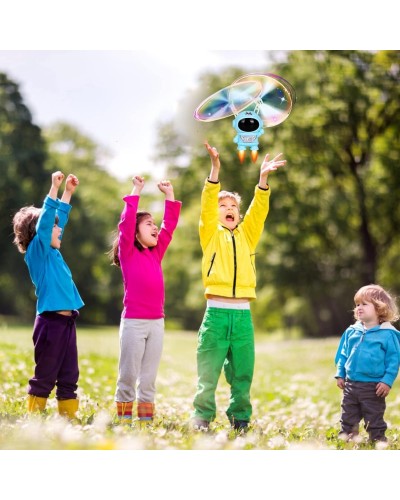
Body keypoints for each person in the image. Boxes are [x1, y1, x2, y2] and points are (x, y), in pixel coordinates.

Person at [192, 141, 286, 432]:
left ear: (239, 214)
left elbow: (258, 211)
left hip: (243, 316)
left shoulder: (247, 235)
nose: (228, 208)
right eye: (224, 206)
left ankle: (240, 419)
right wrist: (215, 169)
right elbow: (208, 205)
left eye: (233, 206)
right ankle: (202, 418)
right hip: (216, 315)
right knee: (208, 373)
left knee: (243, 373)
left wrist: (262, 180)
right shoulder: (210, 233)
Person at [12, 171, 84, 419]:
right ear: (38, 232)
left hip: (66, 322)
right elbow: (46, 225)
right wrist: (54, 188)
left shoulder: (52, 252)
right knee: (46, 373)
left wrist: (68, 193)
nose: (59, 229)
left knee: (69, 374)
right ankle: (34, 416)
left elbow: (57, 221)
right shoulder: (38, 253)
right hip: (50, 324)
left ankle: (68, 417)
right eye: (54, 226)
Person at [110, 175, 181, 425]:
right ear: (135, 233)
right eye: (149, 223)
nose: (155, 227)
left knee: (149, 378)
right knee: (128, 376)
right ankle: (123, 422)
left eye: (154, 223)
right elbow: (125, 223)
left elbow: (169, 226)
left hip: (156, 324)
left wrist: (169, 196)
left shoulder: (156, 252)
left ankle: (145, 423)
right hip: (133, 324)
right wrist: (136, 190)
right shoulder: (128, 252)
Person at [334, 284, 400, 443]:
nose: (359, 308)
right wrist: (340, 374)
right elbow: (343, 354)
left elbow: (394, 361)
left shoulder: (387, 334)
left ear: (380, 308)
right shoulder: (352, 331)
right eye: (357, 304)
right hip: (351, 385)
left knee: (374, 420)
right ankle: (348, 442)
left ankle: (378, 443)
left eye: (364, 304)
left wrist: (387, 381)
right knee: (348, 418)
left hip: (373, 387)